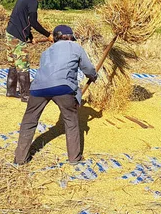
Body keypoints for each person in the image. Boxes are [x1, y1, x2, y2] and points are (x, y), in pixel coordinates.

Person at [14, 24, 98, 165]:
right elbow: (88, 68)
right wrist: (93, 76)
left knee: (29, 121)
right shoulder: (75, 47)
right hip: (62, 88)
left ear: (56, 38)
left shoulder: (46, 52)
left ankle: (20, 159)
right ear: (71, 37)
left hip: (38, 89)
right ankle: (74, 158)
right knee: (71, 122)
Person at [5, 0, 53, 102]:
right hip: (17, 36)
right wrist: (48, 35)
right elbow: (33, 22)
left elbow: (24, 21)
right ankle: (26, 95)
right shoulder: (33, 2)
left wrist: (30, 36)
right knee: (23, 65)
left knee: (13, 63)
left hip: (10, 33)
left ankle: (11, 91)